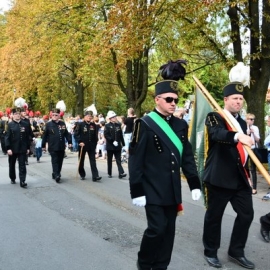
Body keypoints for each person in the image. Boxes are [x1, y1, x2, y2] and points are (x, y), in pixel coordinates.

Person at [128, 79, 201, 270]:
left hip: (172, 188)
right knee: (156, 228)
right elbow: (135, 161)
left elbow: (186, 156)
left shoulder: (180, 125)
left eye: (176, 100)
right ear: (157, 99)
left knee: (169, 231)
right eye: (169, 99)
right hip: (151, 188)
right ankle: (144, 263)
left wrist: (194, 183)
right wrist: (136, 190)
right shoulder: (143, 124)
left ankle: (161, 266)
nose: (173, 103)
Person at [202, 82, 255, 269]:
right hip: (219, 177)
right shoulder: (215, 116)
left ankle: (236, 251)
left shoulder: (242, 122)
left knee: (247, 214)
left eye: (241, 99)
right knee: (214, 216)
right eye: (235, 98)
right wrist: (237, 136)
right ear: (226, 100)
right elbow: (217, 134)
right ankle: (210, 251)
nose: (238, 102)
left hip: (240, 177)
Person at [42, 108, 72, 183]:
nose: (54, 116)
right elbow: (45, 136)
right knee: (55, 160)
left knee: (60, 161)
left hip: (61, 146)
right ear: (51, 115)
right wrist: (43, 146)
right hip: (52, 146)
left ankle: (55, 172)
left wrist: (70, 142)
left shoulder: (62, 123)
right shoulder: (49, 124)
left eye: (56, 115)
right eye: (53, 115)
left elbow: (66, 133)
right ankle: (57, 174)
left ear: (59, 116)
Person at [5, 108, 31, 188]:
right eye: (15, 114)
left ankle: (22, 180)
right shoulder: (9, 125)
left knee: (22, 165)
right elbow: (7, 137)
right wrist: (8, 148)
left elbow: (27, 137)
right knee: (12, 164)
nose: (17, 115)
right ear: (12, 115)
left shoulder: (25, 124)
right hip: (13, 149)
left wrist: (28, 147)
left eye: (19, 114)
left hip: (22, 148)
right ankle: (12, 177)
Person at [74, 111, 102, 181]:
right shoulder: (80, 124)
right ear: (85, 117)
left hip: (91, 145)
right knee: (81, 160)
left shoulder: (93, 125)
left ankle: (95, 176)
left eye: (91, 116)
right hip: (83, 145)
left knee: (93, 161)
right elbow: (76, 134)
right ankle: (82, 174)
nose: (89, 118)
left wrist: (95, 143)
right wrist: (80, 141)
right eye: (88, 116)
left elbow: (95, 135)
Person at [104, 110, 126, 179]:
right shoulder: (107, 126)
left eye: (115, 116)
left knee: (118, 160)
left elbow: (120, 135)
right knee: (109, 160)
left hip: (117, 146)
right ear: (110, 118)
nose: (115, 118)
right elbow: (106, 135)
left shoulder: (118, 125)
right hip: (110, 145)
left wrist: (123, 143)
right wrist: (112, 141)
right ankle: (109, 172)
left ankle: (121, 173)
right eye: (113, 117)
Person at [246, 113, 260, 194]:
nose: (252, 121)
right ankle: (247, 184)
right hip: (246, 149)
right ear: (247, 119)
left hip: (253, 149)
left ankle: (254, 188)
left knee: (253, 169)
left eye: (253, 119)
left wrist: (253, 133)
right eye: (251, 119)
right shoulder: (243, 127)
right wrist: (248, 132)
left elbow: (258, 140)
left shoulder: (255, 128)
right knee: (244, 167)